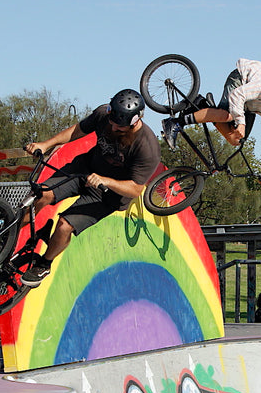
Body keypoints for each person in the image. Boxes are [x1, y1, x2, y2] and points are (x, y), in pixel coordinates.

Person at [20, 89, 161, 287]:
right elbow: (77, 130)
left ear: (134, 122)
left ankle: (44, 264)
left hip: (108, 195)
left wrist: (106, 181)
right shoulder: (105, 114)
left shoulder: (147, 147)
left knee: (64, 225)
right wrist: (46, 144)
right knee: (41, 193)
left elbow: (136, 189)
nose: (112, 126)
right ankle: (7, 238)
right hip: (84, 169)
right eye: (111, 121)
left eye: (118, 126)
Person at [162, 58, 261, 188]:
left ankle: (202, 106)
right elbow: (238, 94)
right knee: (228, 115)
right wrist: (240, 121)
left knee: (236, 139)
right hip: (242, 80)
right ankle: (175, 122)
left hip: (250, 105)